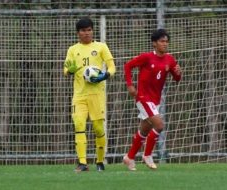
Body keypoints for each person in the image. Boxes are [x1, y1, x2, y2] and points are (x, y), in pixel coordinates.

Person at [123, 29, 182, 170]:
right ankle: (147, 155)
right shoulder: (147, 57)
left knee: (144, 129)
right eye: (162, 41)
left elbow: (177, 79)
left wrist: (179, 73)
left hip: (155, 100)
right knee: (160, 125)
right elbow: (128, 66)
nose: (165, 44)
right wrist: (130, 85)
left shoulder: (170, 59)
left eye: (167, 41)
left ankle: (129, 157)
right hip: (143, 97)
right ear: (154, 43)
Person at [64, 17, 116, 172]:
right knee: (79, 125)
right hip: (79, 96)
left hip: (96, 95)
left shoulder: (101, 47)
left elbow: (112, 67)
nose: (86, 33)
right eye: (83, 31)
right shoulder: (73, 49)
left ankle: (100, 161)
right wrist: (70, 70)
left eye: (89, 30)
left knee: (98, 128)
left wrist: (104, 76)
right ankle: (82, 163)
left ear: (92, 31)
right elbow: (66, 70)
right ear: (78, 33)